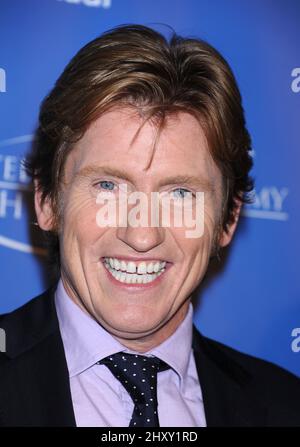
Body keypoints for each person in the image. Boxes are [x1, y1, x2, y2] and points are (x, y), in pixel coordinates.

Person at [0, 24, 299, 427]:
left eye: (179, 194)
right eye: (108, 186)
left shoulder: (284, 405)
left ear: (227, 219)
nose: (142, 235)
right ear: (47, 201)